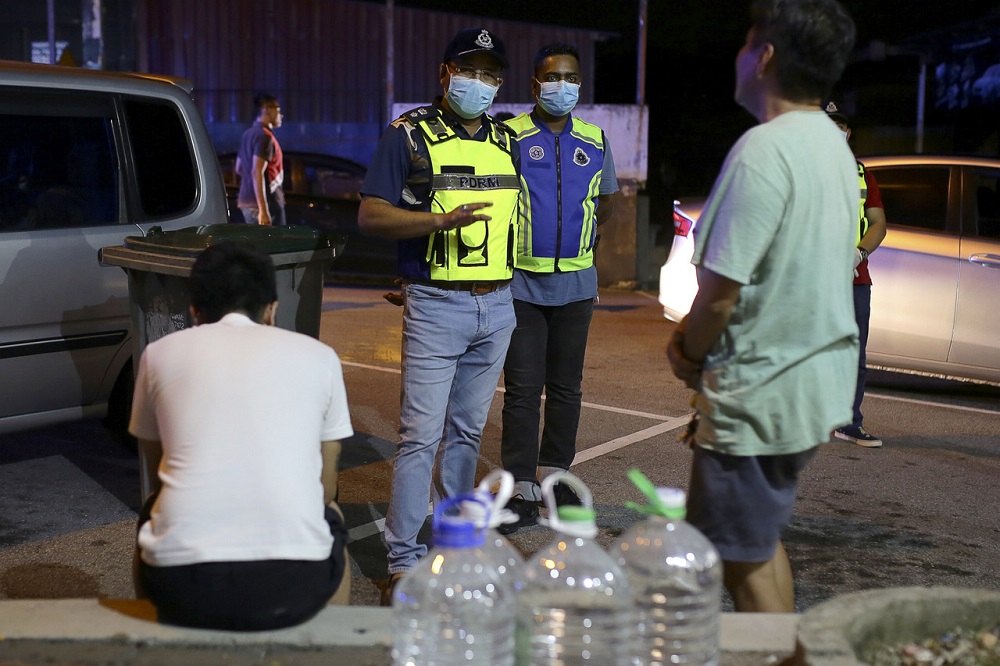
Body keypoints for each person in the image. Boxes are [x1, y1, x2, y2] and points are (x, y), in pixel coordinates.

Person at [666, 0, 859, 613]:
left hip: (761, 393)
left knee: (732, 553)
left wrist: (685, 351)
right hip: (807, 385)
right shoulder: (831, 141)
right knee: (754, 542)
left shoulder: (764, 150)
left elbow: (720, 295)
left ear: (766, 56)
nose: (741, 57)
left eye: (747, 44)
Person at [357, 27, 520, 604]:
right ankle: (403, 561)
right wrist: (437, 223)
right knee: (419, 437)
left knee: (467, 434)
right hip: (437, 303)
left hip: (497, 303)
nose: (480, 82)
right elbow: (371, 216)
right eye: (470, 70)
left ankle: (454, 547)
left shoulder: (507, 138)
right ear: (446, 72)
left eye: (491, 74)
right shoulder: (408, 136)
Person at [129, 241, 353, 630]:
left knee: (153, 510)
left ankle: (159, 639)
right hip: (296, 585)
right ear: (272, 309)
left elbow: (155, 473)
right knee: (331, 512)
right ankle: (332, 643)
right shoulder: (320, 357)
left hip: (183, 586)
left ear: (194, 311)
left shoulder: (158, 355)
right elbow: (327, 486)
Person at [497, 43, 619, 534]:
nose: (562, 86)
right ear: (535, 84)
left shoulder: (595, 138)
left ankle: (557, 477)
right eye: (553, 77)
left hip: (576, 285)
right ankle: (521, 484)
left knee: (567, 388)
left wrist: (580, 241)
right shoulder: (510, 137)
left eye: (571, 78)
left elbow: (604, 203)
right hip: (521, 285)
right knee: (523, 390)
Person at [826, 101, 888, 448]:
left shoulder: (862, 175)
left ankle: (848, 423)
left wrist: (858, 253)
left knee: (852, 355)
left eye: (840, 127)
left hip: (853, 277)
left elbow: (878, 223)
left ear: (848, 133)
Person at [236, 93, 285, 226]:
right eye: (278, 109)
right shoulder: (265, 136)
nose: (281, 115)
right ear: (267, 109)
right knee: (276, 245)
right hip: (266, 203)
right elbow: (257, 171)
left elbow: (239, 168)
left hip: (246, 202)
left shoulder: (248, 134)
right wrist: (263, 210)